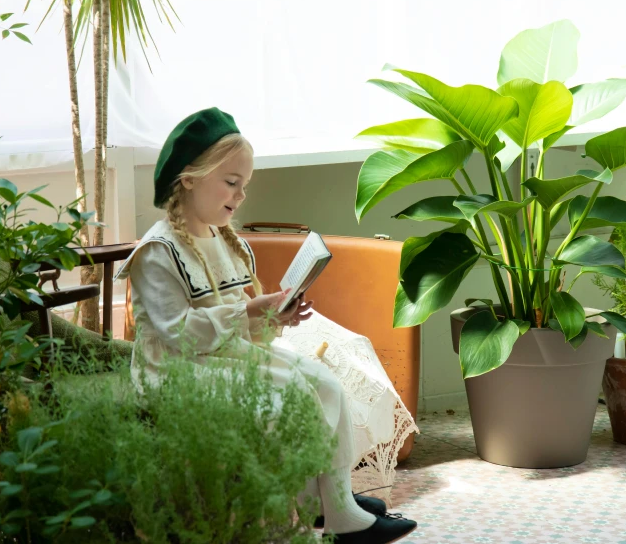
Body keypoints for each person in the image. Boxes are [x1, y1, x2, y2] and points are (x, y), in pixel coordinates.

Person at [114, 107, 417, 542]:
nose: (239, 197)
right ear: (189, 178)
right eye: (231, 183)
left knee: (325, 383)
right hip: (177, 371)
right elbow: (176, 333)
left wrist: (274, 317)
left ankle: (333, 502)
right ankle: (305, 512)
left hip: (223, 356)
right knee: (285, 400)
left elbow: (245, 327)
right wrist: (251, 313)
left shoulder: (224, 241)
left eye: (244, 187)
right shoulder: (159, 251)